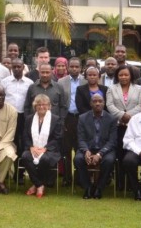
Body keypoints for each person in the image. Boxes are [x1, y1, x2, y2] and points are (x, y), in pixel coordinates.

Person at [106, 64, 141, 190]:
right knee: (119, 154)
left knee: (131, 155)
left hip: (133, 127)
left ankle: (131, 183)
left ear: (131, 76)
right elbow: (109, 105)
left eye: (126, 75)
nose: (123, 77)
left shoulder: (138, 89)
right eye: (121, 75)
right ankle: (120, 183)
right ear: (117, 76)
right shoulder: (111, 88)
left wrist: (129, 115)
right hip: (117, 126)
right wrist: (122, 115)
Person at [75, 94, 117, 199]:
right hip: (88, 148)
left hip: (105, 150)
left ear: (104, 103)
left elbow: (112, 141)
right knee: (78, 159)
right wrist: (86, 151)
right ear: (90, 103)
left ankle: (99, 187)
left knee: (109, 161)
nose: (97, 103)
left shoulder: (111, 119)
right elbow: (81, 138)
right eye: (94, 101)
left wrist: (100, 154)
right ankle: (88, 187)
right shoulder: (82, 118)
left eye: (100, 101)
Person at [21, 94, 63, 198]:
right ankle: (39, 185)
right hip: (33, 148)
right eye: (38, 104)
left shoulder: (55, 119)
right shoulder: (29, 119)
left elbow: (58, 138)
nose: (41, 107)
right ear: (35, 106)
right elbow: (25, 136)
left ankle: (36, 185)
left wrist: (45, 148)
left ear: (49, 106)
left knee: (45, 159)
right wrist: (31, 147)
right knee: (25, 157)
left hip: (50, 150)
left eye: (44, 104)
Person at [0, 58, 33, 184]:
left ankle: (19, 174)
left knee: (22, 145)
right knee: (8, 143)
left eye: (19, 67)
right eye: (14, 67)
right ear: (11, 68)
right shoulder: (4, 82)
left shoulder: (29, 83)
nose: (17, 69)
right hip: (8, 117)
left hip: (23, 117)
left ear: (23, 67)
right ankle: (5, 172)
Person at [57, 57, 87, 186]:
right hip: (67, 118)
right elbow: (59, 102)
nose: (74, 69)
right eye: (72, 67)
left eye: (77, 67)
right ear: (68, 68)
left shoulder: (85, 81)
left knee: (80, 148)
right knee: (66, 150)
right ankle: (67, 178)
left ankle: (80, 178)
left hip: (81, 118)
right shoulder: (61, 81)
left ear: (81, 68)